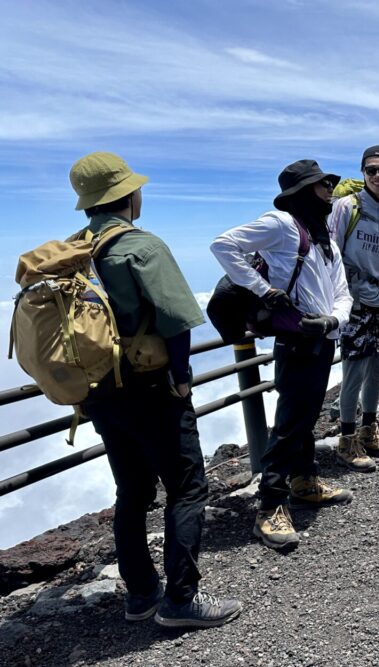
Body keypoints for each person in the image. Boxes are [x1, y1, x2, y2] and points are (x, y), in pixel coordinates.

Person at [68, 152, 241, 628]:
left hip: (100, 391)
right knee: (187, 487)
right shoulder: (139, 246)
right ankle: (182, 601)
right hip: (150, 388)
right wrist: (182, 378)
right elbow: (176, 319)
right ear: (127, 194)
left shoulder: (72, 251)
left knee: (132, 491)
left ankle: (140, 595)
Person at [212, 159, 353, 550]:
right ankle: (270, 506)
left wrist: (331, 321)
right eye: (323, 184)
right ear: (302, 191)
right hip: (295, 341)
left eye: (329, 183)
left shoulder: (323, 238)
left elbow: (343, 291)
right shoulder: (280, 223)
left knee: (305, 416)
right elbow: (223, 245)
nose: (329, 189)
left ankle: (304, 482)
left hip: (321, 338)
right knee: (291, 422)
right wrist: (261, 289)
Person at [328, 145, 379, 472]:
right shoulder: (347, 207)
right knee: (355, 371)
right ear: (362, 172)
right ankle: (347, 440)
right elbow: (330, 253)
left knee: (375, 368)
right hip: (354, 304)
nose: (376, 176)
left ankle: (369, 430)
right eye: (370, 170)